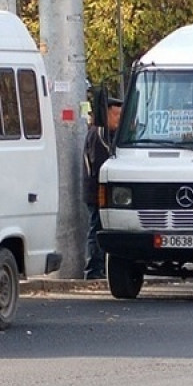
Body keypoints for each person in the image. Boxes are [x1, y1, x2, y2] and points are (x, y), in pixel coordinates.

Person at [82, 97, 123, 280]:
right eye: (116, 115)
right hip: (97, 193)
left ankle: (101, 269)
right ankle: (93, 271)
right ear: (105, 114)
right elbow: (102, 164)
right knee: (96, 230)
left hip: (103, 193)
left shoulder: (108, 134)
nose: (119, 119)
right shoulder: (99, 134)